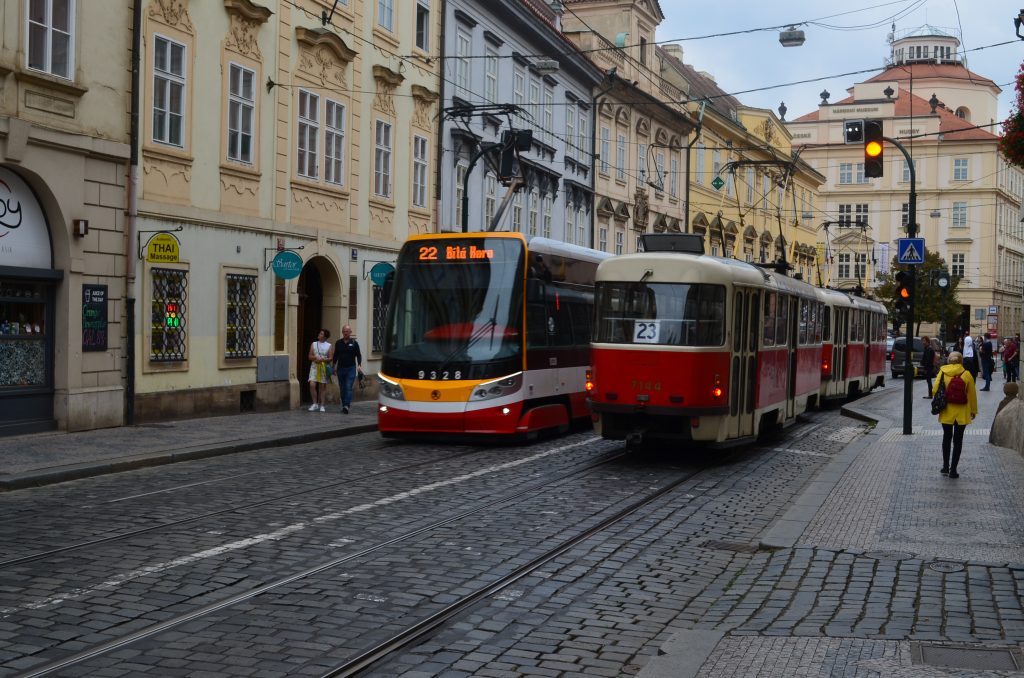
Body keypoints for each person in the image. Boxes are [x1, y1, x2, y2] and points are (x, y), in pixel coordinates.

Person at [930, 351, 977, 479]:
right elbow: (972, 394)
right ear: (961, 361)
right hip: (962, 412)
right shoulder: (966, 374)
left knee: (946, 437)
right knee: (958, 440)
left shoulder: (943, 372)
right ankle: (953, 470)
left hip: (947, 411)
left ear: (949, 361)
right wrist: (973, 411)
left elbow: (934, 389)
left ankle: (945, 466)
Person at [333, 324, 363, 414]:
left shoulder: (354, 343)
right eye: (344, 331)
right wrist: (334, 365)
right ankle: (344, 405)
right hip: (341, 368)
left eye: (347, 331)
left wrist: (359, 365)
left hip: (351, 368)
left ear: (350, 332)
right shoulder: (338, 343)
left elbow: (358, 355)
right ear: (342, 332)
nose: (346, 333)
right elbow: (335, 355)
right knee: (342, 388)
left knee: (348, 386)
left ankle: (346, 405)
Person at [308, 329, 333, 412]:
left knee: (322, 387)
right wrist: (315, 358)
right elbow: (310, 356)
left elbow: (330, 358)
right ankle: (315, 404)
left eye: (321, 334)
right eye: (320, 333)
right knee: (312, 384)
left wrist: (323, 359)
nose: (319, 334)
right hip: (314, 367)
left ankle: (322, 405)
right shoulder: (314, 344)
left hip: (323, 367)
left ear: (325, 337)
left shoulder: (328, 345)